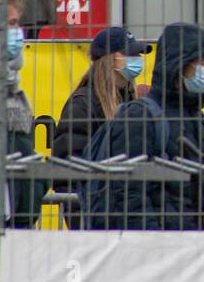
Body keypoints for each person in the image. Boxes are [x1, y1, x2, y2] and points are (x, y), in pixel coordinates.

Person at [85, 22, 204, 230]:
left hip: (197, 247)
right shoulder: (141, 116)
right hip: (156, 247)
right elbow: (128, 193)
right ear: (180, 62)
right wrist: (151, 243)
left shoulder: (198, 119)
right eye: (203, 61)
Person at [50, 27, 152, 228]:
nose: (138, 59)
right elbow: (67, 176)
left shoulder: (129, 102)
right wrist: (85, 223)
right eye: (131, 54)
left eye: (138, 54)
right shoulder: (82, 105)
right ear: (112, 59)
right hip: (95, 225)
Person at [4, 0, 44, 229]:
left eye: (17, 23)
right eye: (10, 24)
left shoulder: (17, 100)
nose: (17, 33)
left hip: (17, 225)